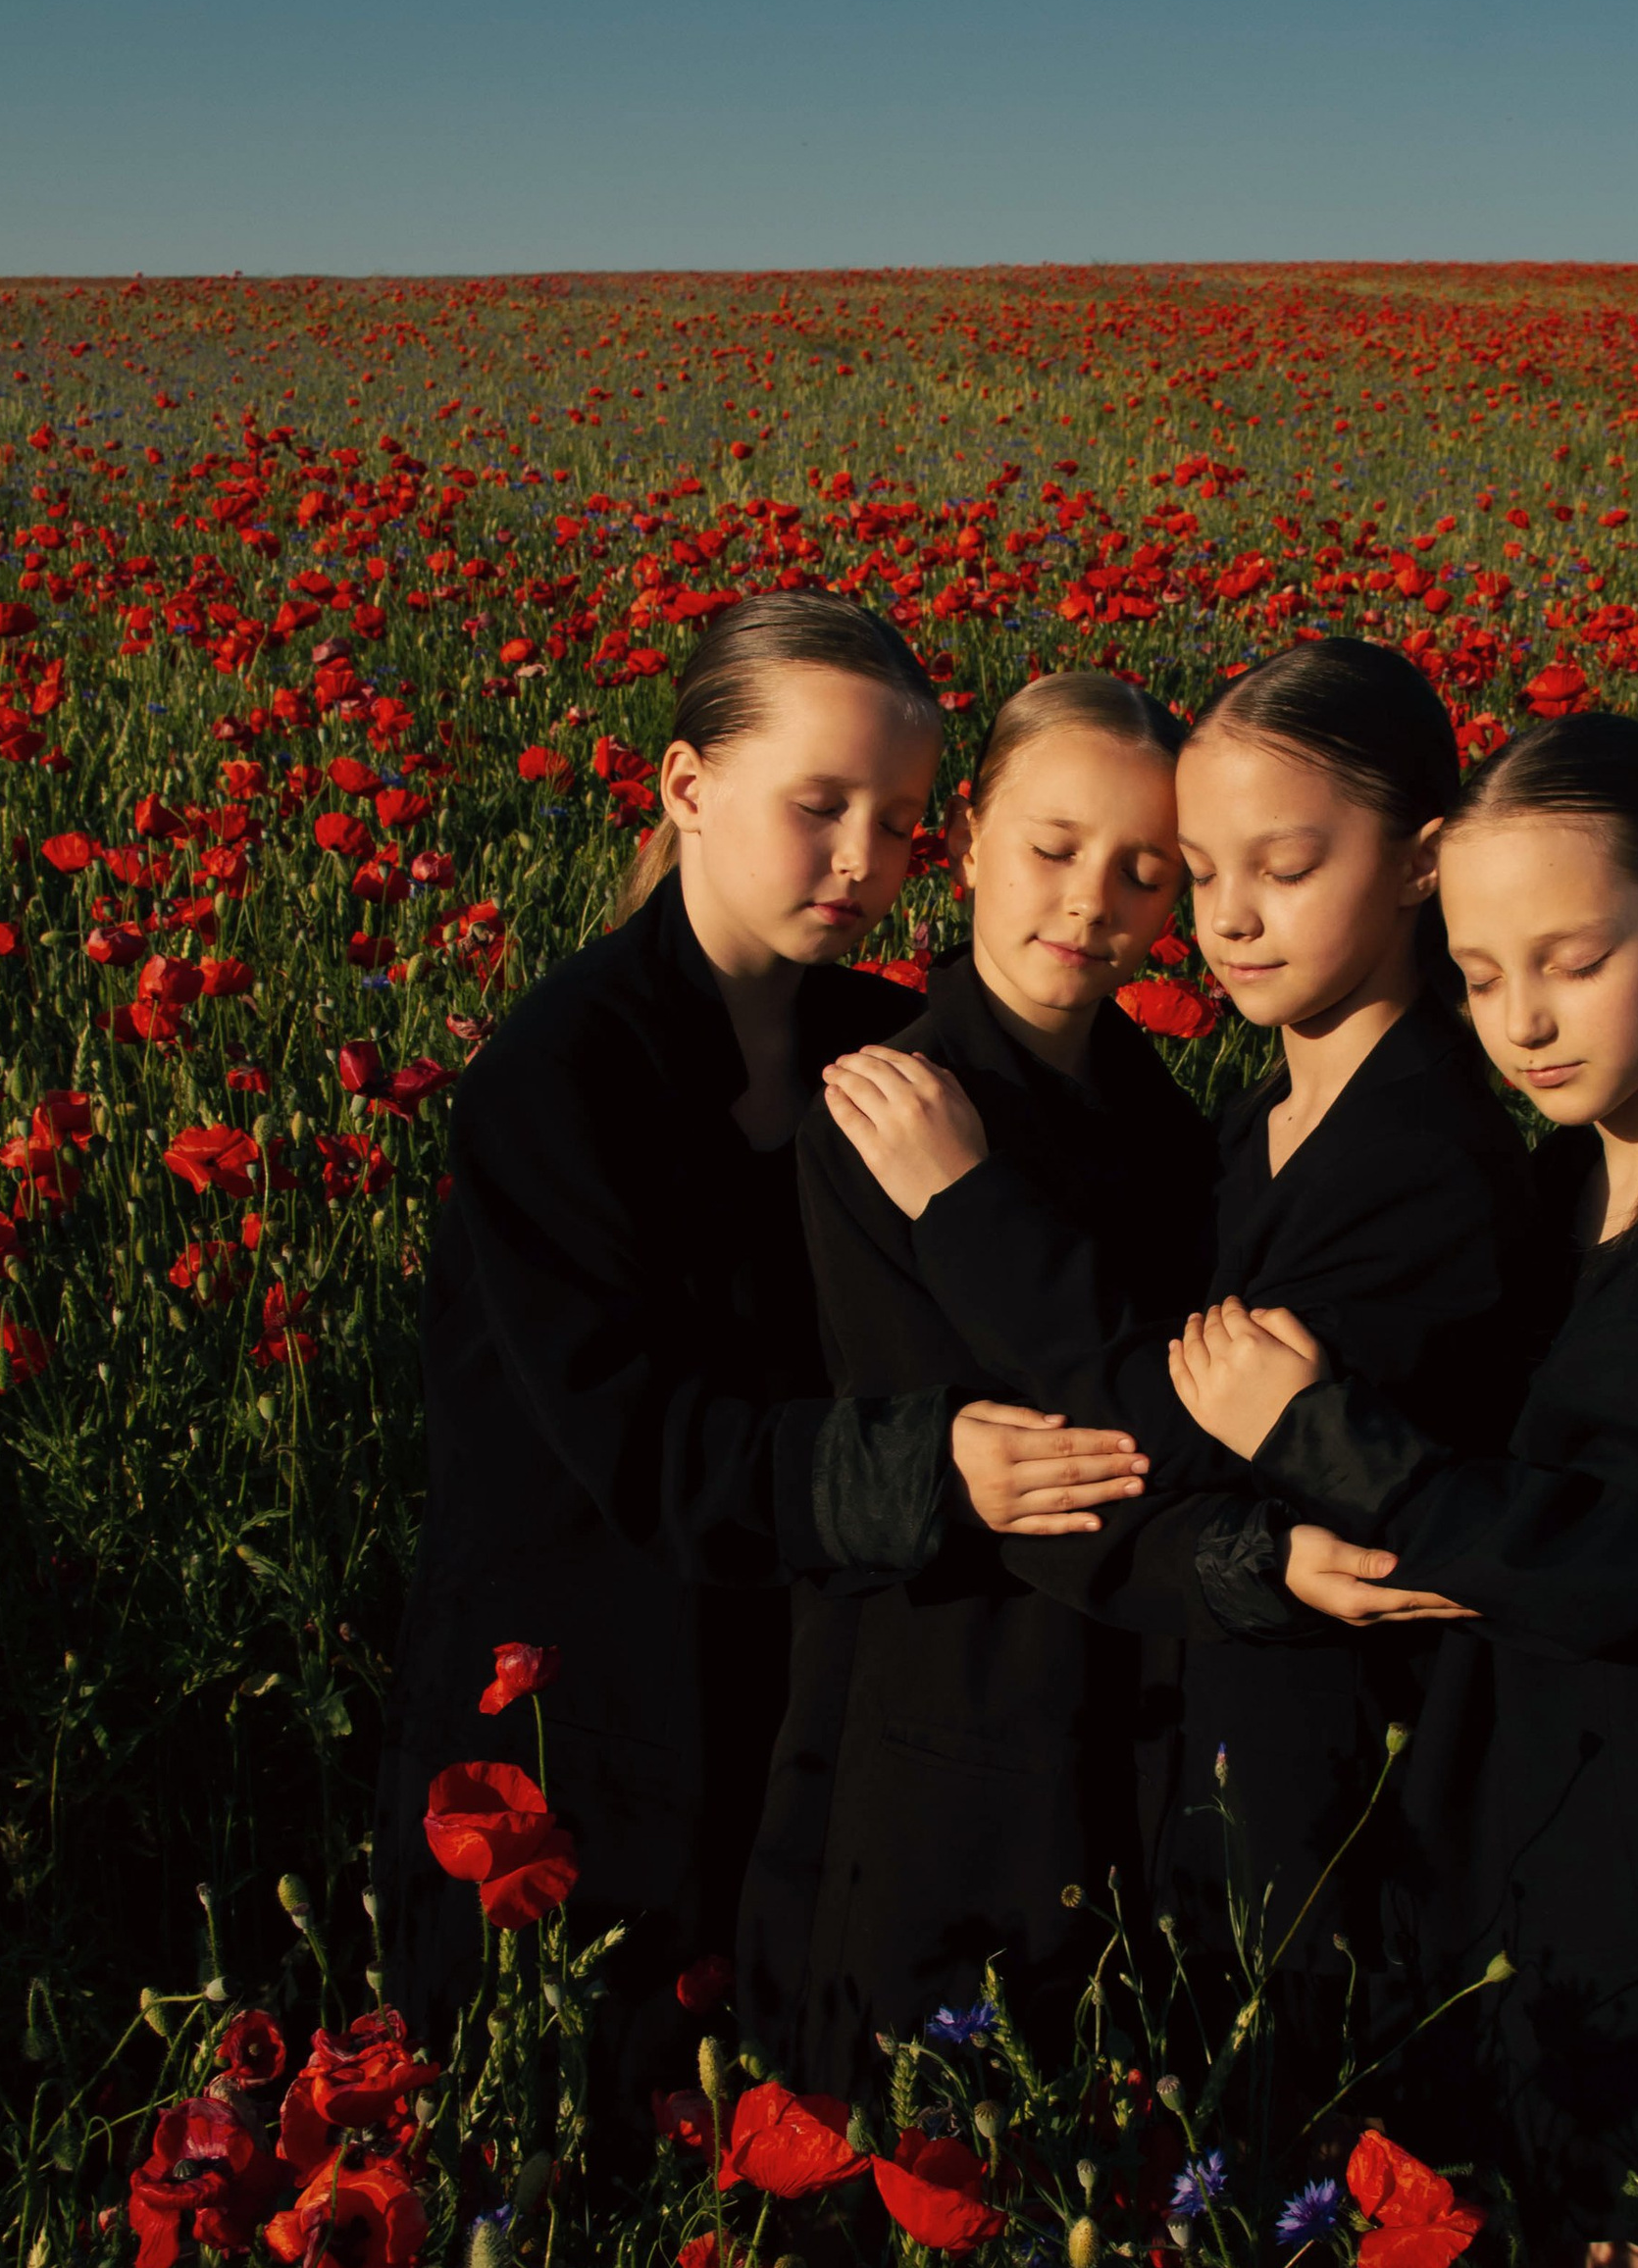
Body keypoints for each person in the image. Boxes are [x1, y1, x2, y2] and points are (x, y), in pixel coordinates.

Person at [1166, 707, 1638, 2236]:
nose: (1524, 1020)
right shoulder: (1574, 1178)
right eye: (1479, 975)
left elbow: (1620, 1557)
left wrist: (1319, 1439)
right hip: (1580, 1891)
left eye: (1573, 962)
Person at [373, 595, 1141, 2115]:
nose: (865, 860)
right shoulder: (557, 1081)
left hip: (803, 1709)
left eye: (907, 824)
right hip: (571, 1717)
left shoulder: (886, 1046)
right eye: (821, 807)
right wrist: (936, 1468)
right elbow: (645, 1447)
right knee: (569, 2151)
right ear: (684, 786)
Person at [825, 639, 1537, 2087]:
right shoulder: (1242, 1128)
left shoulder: (1423, 1164)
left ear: (1421, 866)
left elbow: (1149, 1441)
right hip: (1090, 1765)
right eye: (1206, 875)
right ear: (969, 845)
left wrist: (968, 1210)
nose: (1230, 921)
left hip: (1334, 1807)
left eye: (1270, 868)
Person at [741, 675, 1215, 2082]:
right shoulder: (882, 1107)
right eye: (1053, 848)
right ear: (965, 837)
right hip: (942, 1675)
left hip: (1139, 1678)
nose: (1092, 903)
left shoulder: (1173, 1128)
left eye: (1145, 870)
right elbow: (1072, 1424)